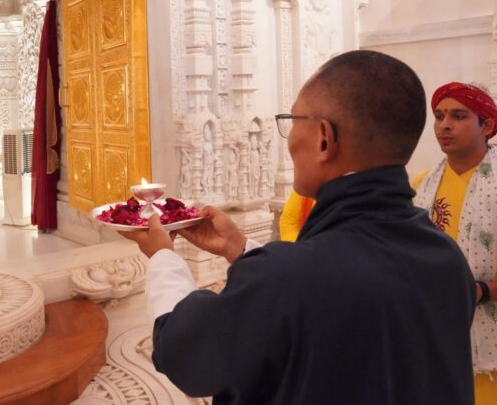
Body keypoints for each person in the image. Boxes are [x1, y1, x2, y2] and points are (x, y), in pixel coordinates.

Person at [122, 50, 476, 404]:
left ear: (324, 138)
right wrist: (239, 247)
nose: (289, 138)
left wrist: (162, 257)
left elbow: (186, 355)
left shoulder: (285, 277)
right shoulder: (446, 257)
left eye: (292, 121)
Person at [412, 82, 497, 405]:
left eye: (458, 116)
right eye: (439, 115)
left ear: (486, 125)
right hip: (436, 334)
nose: (444, 125)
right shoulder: (421, 185)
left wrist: (481, 291)